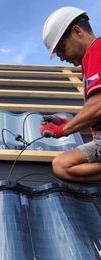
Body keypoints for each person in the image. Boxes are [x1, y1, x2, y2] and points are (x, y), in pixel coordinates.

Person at [40, 6, 101, 182]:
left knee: (62, 165)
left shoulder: (97, 50)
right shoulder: (91, 59)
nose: (61, 57)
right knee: (62, 165)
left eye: (61, 48)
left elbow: (98, 106)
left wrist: (63, 129)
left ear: (77, 31)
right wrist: (67, 122)